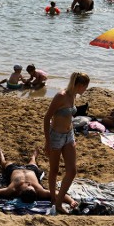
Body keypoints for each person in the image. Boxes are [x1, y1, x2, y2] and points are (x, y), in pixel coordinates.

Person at [0, 146, 76, 206]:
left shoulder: (11, 189)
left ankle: (1, 156)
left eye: (28, 185)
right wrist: (71, 201)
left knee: (5, 164)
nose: (29, 183)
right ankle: (34, 155)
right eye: (30, 185)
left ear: (20, 191)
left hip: (13, 170)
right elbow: (58, 193)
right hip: (31, 170)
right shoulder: (39, 190)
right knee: (32, 162)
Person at [44, 72, 90, 212]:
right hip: (56, 136)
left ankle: (59, 201)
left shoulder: (73, 95)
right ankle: (53, 198)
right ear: (80, 85)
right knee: (55, 169)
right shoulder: (61, 96)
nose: (85, 90)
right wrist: (47, 141)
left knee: (72, 170)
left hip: (69, 135)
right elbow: (47, 118)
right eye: (85, 87)